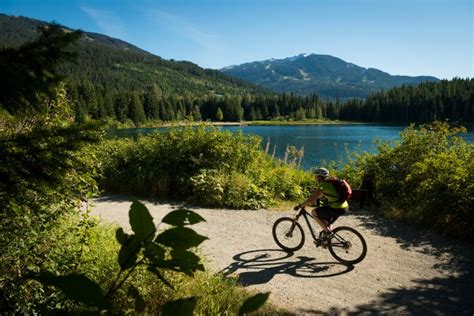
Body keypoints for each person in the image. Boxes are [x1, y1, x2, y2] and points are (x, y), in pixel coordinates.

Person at [294, 167, 349, 241]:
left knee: (314, 212)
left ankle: (328, 234)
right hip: (344, 206)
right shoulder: (332, 181)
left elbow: (312, 199)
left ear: (320, 177)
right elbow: (319, 196)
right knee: (325, 222)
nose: (315, 178)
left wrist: (300, 205)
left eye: (316, 176)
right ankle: (327, 239)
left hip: (336, 208)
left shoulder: (323, 185)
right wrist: (312, 200)